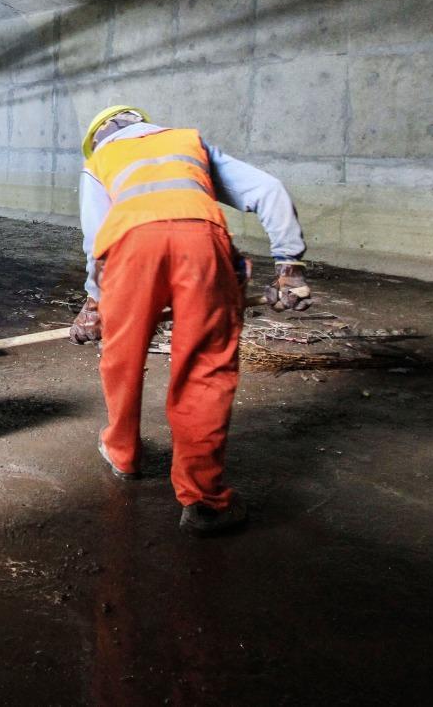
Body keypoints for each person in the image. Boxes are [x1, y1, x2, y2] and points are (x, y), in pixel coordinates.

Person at [69, 105, 313, 536]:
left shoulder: (99, 161)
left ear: (99, 136)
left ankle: (123, 453)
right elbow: (269, 189)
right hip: (202, 244)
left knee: (121, 356)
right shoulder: (188, 142)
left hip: (129, 249)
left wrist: (94, 305)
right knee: (204, 367)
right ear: (143, 123)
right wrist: (288, 266)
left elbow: (96, 239)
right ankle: (204, 501)